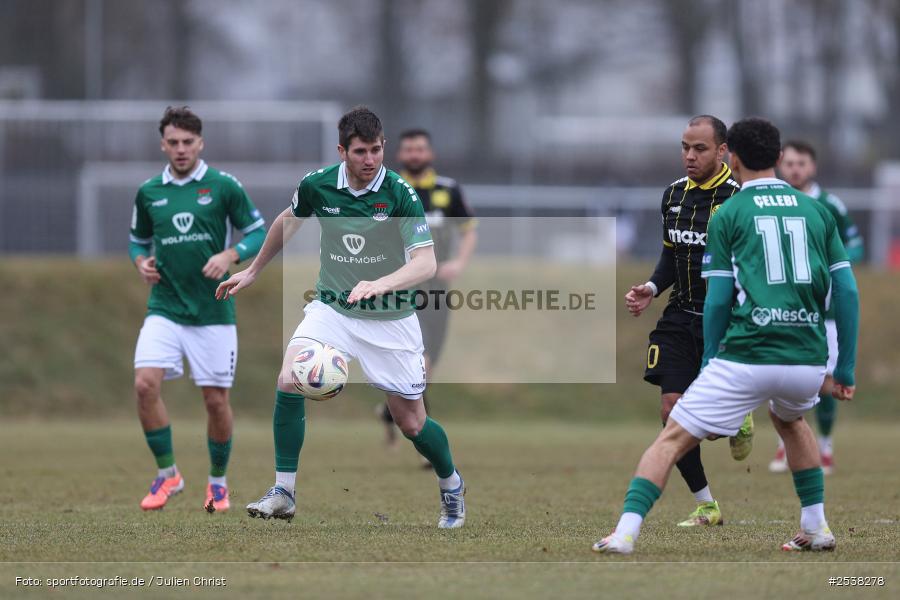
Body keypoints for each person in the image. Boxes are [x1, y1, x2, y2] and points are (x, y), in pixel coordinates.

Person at [594, 117, 859, 555]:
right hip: (807, 359)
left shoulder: (730, 211)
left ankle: (624, 533)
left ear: (730, 157)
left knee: (671, 437)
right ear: (778, 158)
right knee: (791, 421)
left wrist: (711, 361)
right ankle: (816, 527)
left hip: (748, 354)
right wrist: (843, 366)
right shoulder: (819, 210)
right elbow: (847, 292)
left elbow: (718, 301)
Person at [215, 106, 466, 529]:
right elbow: (286, 221)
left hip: (390, 318)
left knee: (411, 422)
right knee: (289, 377)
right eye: (360, 151)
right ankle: (284, 492)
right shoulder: (318, 185)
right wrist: (254, 269)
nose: (370, 160)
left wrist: (382, 283)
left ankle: (452, 485)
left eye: (376, 150)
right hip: (332, 306)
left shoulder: (400, 193)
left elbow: (425, 263)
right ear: (342, 151)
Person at [129, 106, 266, 512]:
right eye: (173, 142)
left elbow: (258, 232)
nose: (181, 149)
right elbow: (138, 240)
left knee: (215, 401)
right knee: (144, 385)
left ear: (200, 143)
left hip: (214, 310)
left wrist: (231, 254)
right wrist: (140, 261)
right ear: (163, 145)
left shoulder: (224, 186)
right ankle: (168, 475)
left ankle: (218, 484)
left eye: (188, 142)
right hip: (165, 307)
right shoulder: (149, 191)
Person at [624, 115, 751, 528]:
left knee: (710, 428)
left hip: (726, 321)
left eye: (699, 149)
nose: (689, 156)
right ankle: (706, 504)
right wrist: (650, 286)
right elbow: (670, 256)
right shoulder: (673, 195)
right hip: (679, 317)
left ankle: (740, 413)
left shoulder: (739, 199)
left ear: (722, 151)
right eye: (684, 147)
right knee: (671, 412)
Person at [375, 129, 478, 449]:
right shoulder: (388, 190)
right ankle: (424, 443)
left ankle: (391, 412)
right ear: (400, 155)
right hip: (401, 289)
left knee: (427, 363)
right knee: (418, 360)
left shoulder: (447, 190)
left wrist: (458, 263)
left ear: (429, 154)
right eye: (409, 150)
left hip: (437, 289)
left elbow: (469, 230)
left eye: (420, 149)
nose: (415, 154)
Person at [769, 140, 865, 475]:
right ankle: (786, 446)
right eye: (790, 163)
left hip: (825, 315)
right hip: (783, 307)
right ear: (781, 166)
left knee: (825, 382)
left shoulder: (829, 205)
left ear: (813, 167)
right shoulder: (774, 202)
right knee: (781, 377)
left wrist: (831, 263)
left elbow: (855, 245)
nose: (795, 169)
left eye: (802, 163)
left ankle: (824, 448)